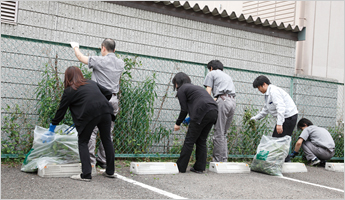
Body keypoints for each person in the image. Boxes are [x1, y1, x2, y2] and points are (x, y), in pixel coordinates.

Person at [41, 66, 116, 181]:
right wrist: (99, 103)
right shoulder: (91, 82)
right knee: (106, 140)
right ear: (80, 75)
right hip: (106, 111)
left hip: (89, 115)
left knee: (83, 142)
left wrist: (52, 127)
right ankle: (110, 171)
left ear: (67, 78)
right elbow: (108, 93)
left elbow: (61, 111)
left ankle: (86, 174)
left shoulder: (70, 91)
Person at [70, 38, 124, 169]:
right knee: (107, 132)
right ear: (114, 50)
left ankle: (90, 162)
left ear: (103, 48)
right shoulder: (121, 63)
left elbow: (81, 58)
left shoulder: (100, 60)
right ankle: (104, 160)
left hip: (99, 100)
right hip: (114, 100)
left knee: (92, 131)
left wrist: (75, 47)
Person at [173, 72, 218, 173]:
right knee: (201, 140)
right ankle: (200, 167)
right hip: (214, 110)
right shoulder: (196, 88)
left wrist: (178, 123)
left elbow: (184, 109)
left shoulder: (182, 89)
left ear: (177, 83)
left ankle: (181, 167)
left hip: (202, 110)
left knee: (189, 140)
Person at [250, 75, 298, 162]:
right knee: (277, 139)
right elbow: (265, 110)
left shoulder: (274, 91)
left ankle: (284, 161)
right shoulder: (268, 94)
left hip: (289, 117)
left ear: (264, 84)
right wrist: (254, 119)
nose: (259, 90)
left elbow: (281, 107)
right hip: (284, 118)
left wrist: (279, 124)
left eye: (258, 87)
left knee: (280, 140)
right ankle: (281, 160)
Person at [203, 60, 236, 162]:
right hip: (232, 101)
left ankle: (217, 161)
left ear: (211, 68)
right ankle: (224, 159)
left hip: (223, 101)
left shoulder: (211, 73)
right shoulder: (227, 76)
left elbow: (208, 92)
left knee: (218, 132)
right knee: (224, 133)